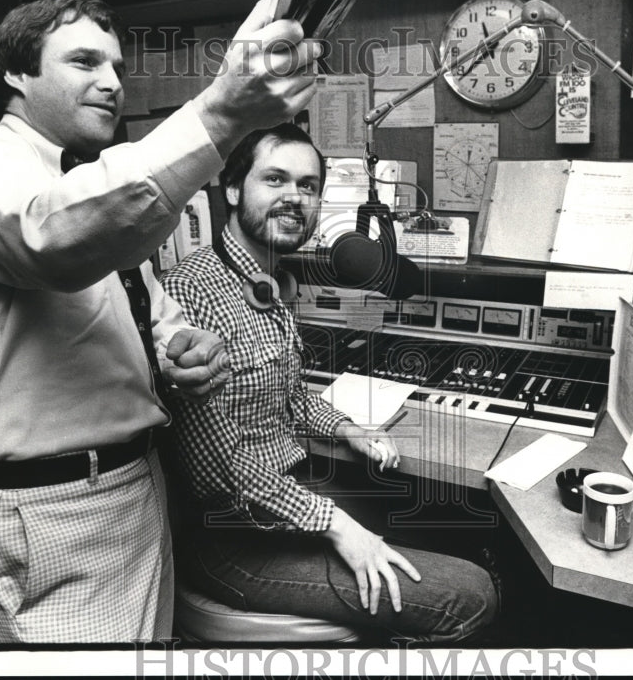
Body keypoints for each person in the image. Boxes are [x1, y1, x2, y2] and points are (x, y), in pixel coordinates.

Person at [0, 0, 321, 643]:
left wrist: (183, 345)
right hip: (48, 512)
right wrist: (217, 113)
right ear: (16, 73)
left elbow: (146, 310)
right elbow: (54, 241)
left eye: (117, 67)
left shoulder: (92, 187)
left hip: (131, 491)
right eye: (82, 61)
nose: (110, 82)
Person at [160, 124, 499, 644]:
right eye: (275, 179)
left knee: (452, 522)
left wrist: (347, 428)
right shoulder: (195, 289)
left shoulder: (264, 280)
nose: (295, 198)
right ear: (232, 189)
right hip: (233, 539)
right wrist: (339, 526)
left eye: (309, 185)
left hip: (290, 497)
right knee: (469, 595)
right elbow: (217, 471)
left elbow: (290, 394)